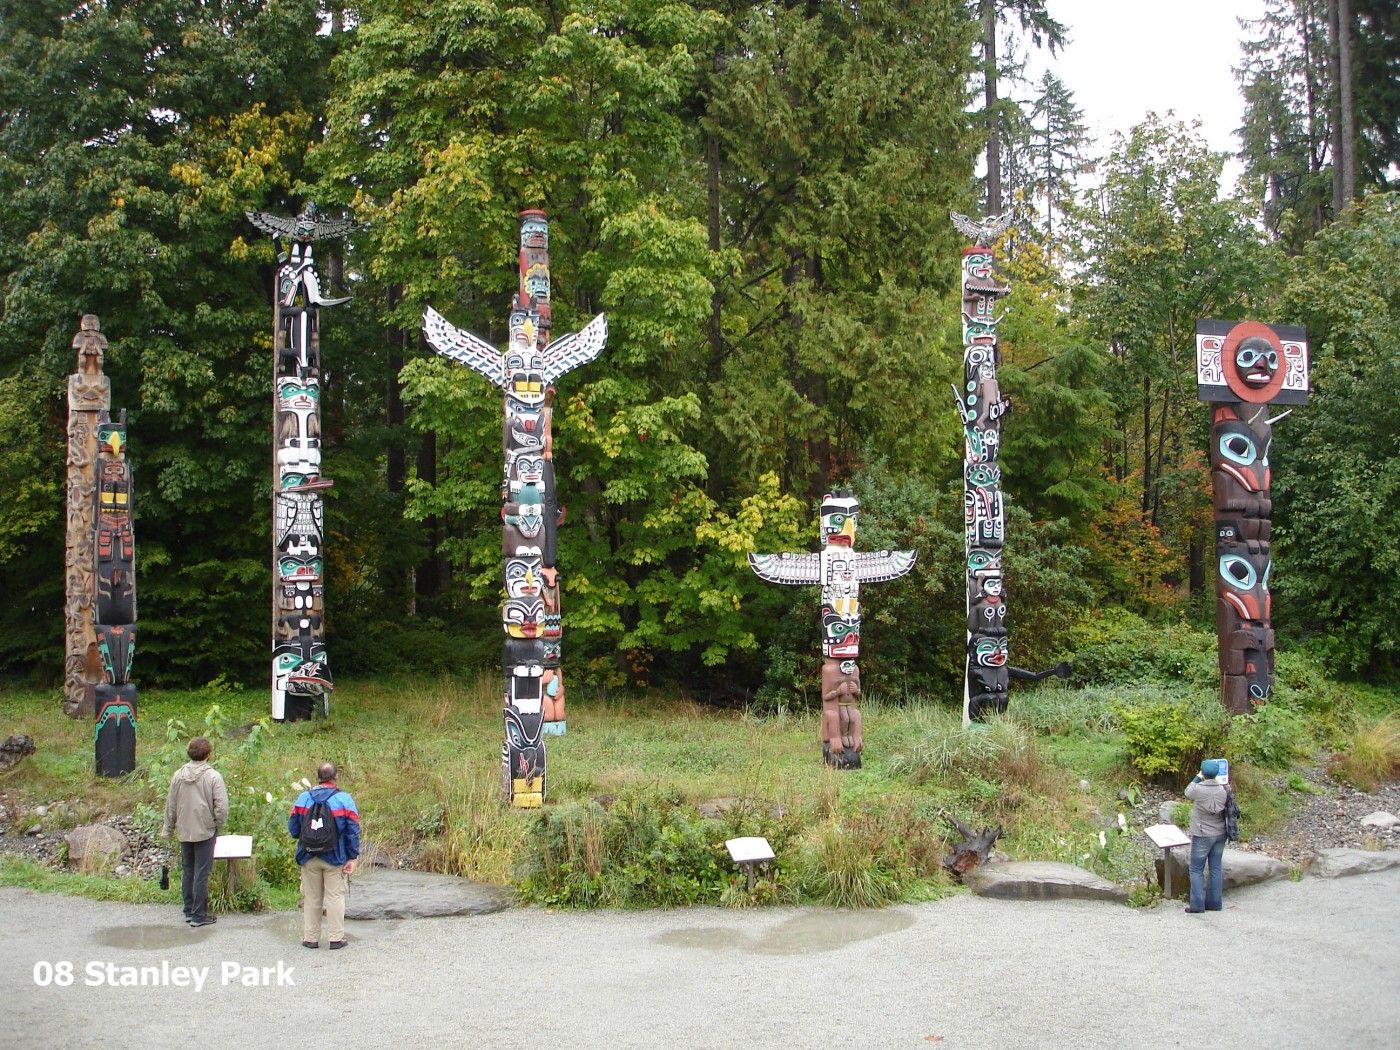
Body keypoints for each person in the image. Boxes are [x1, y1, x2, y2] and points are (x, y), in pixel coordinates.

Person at [288, 761, 360, 950]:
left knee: (312, 897)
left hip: (308, 856)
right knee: (335, 896)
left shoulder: (303, 798)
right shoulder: (344, 799)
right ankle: (336, 938)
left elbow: (293, 829)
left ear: (318, 777)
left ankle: (310, 938)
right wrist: (352, 857)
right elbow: (353, 830)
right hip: (335, 857)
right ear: (335, 778)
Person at [160, 737, 229, 927]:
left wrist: (168, 828)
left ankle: (189, 910)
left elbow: (170, 805)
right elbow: (221, 807)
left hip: (184, 829)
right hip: (205, 829)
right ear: (208, 754)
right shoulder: (213, 776)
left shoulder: (178, 775)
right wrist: (217, 823)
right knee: (201, 871)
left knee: (188, 869)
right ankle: (199, 914)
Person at [1183, 758, 1229, 914]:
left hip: (1202, 833)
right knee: (1215, 867)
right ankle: (1215, 903)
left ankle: (1197, 905)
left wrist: (1198, 777)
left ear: (1203, 772)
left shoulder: (1198, 790)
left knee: (1196, 869)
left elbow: (1187, 791)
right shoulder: (1224, 789)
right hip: (1220, 833)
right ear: (1216, 773)